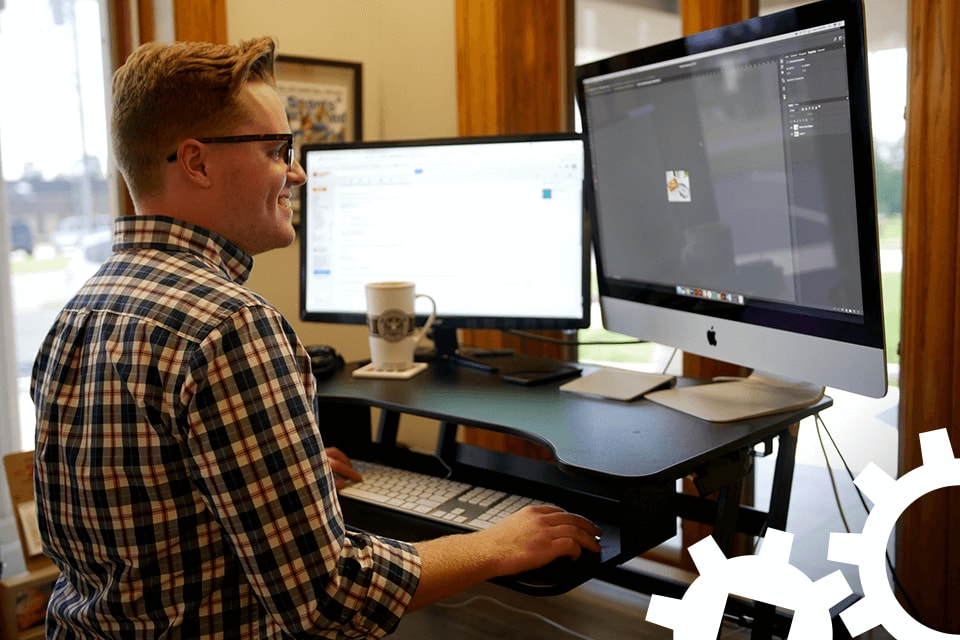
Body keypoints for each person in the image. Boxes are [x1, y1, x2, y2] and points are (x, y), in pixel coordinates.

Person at [31, 37, 602, 638]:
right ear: (196, 163)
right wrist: (497, 544)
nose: (298, 172)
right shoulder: (231, 326)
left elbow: (143, 517)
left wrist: (285, 482)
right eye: (278, 150)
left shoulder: (82, 311)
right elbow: (332, 597)